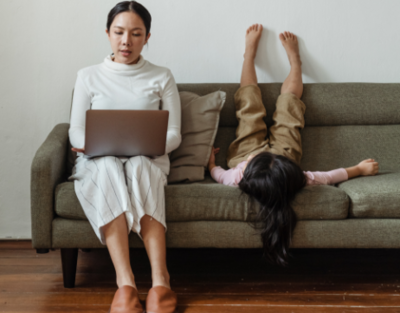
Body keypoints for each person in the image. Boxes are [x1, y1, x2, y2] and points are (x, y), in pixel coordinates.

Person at [208, 24, 379, 266]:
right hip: (283, 157)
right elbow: (329, 176)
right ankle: (296, 63)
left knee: (248, 107)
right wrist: (358, 169)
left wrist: (211, 162)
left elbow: (218, 175)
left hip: (247, 154)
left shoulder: (238, 175)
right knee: (289, 107)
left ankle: (248, 55)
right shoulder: (295, 176)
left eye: (247, 167)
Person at [69, 1, 180, 312]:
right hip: (99, 158)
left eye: (135, 33)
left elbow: (174, 134)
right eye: (118, 32)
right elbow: (76, 130)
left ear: (147, 37)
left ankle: (161, 280)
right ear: (108, 34)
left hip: (148, 156)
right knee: (106, 167)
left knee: (141, 166)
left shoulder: (162, 76)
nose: (126, 41)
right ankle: (125, 283)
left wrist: (148, 146)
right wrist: (92, 144)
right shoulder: (88, 76)